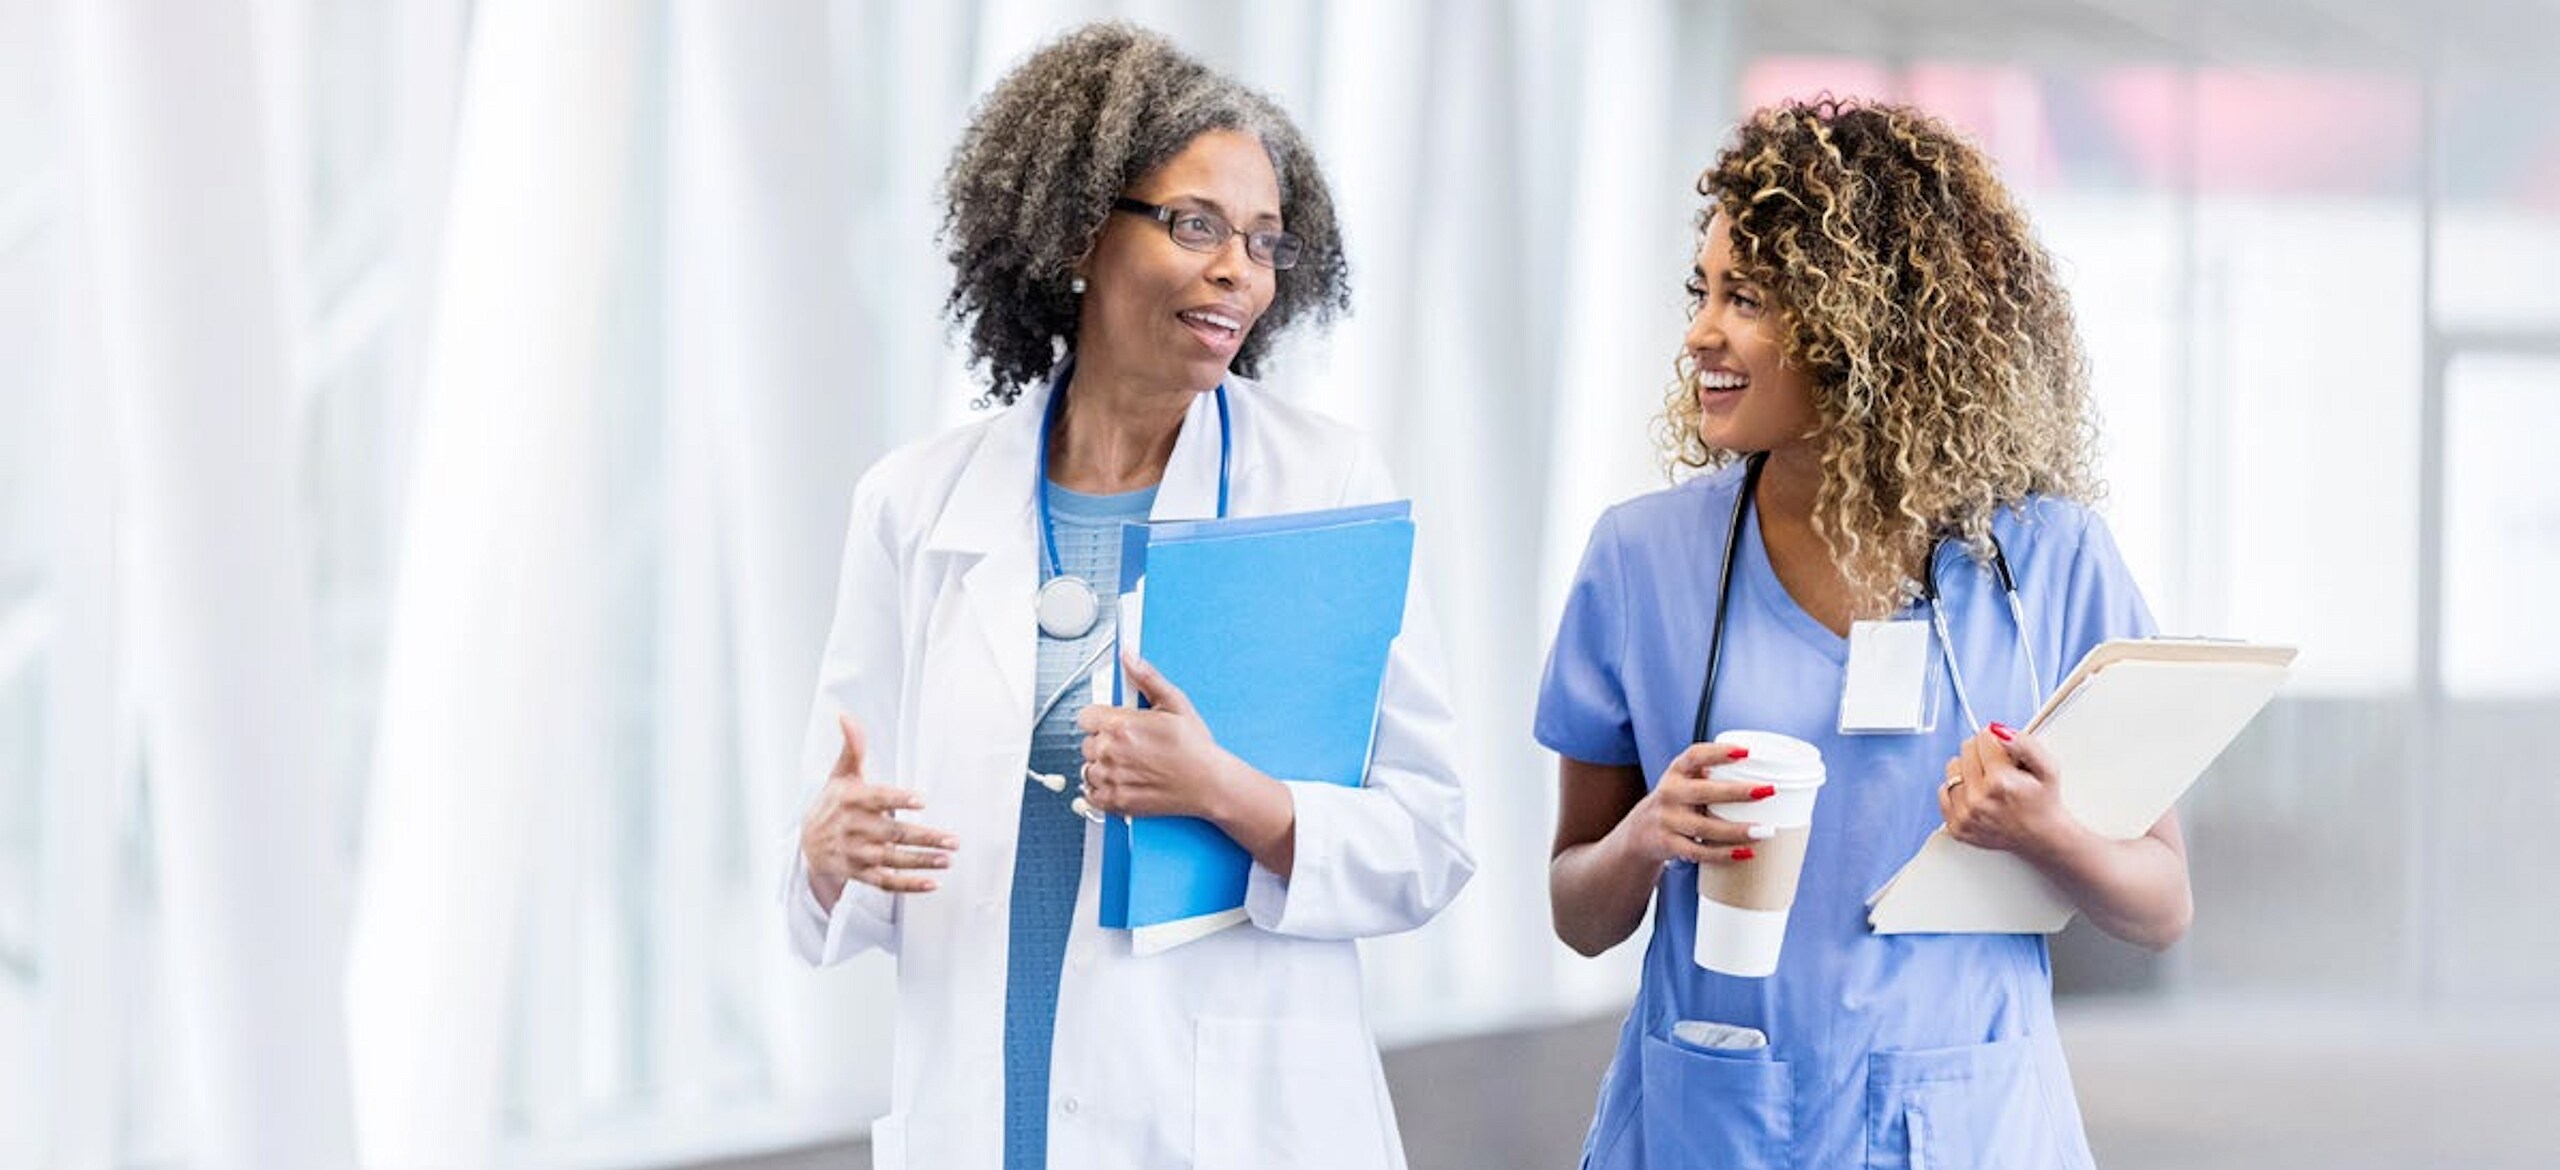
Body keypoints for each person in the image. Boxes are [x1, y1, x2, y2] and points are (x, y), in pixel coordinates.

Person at [783, 24, 1472, 1170]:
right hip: (988, 1115)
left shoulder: (1320, 486)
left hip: (1227, 1122)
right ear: (1079, 232)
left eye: (1263, 242)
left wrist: (1229, 794)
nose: (1236, 272)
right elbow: (838, 867)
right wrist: (826, 846)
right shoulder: (913, 506)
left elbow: (1428, 843)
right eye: (1196, 225)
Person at [1537, 97, 2191, 1169]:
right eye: (1701, 292)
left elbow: (2160, 905)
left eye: (1745, 298)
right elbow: (1578, 911)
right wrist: (1648, 835)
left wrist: (2046, 833)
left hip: (1969, 1123)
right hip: (1714, 1118)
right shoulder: (1642, 561)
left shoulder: (2049, 563)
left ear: (1863, 324)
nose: (1701, 331)